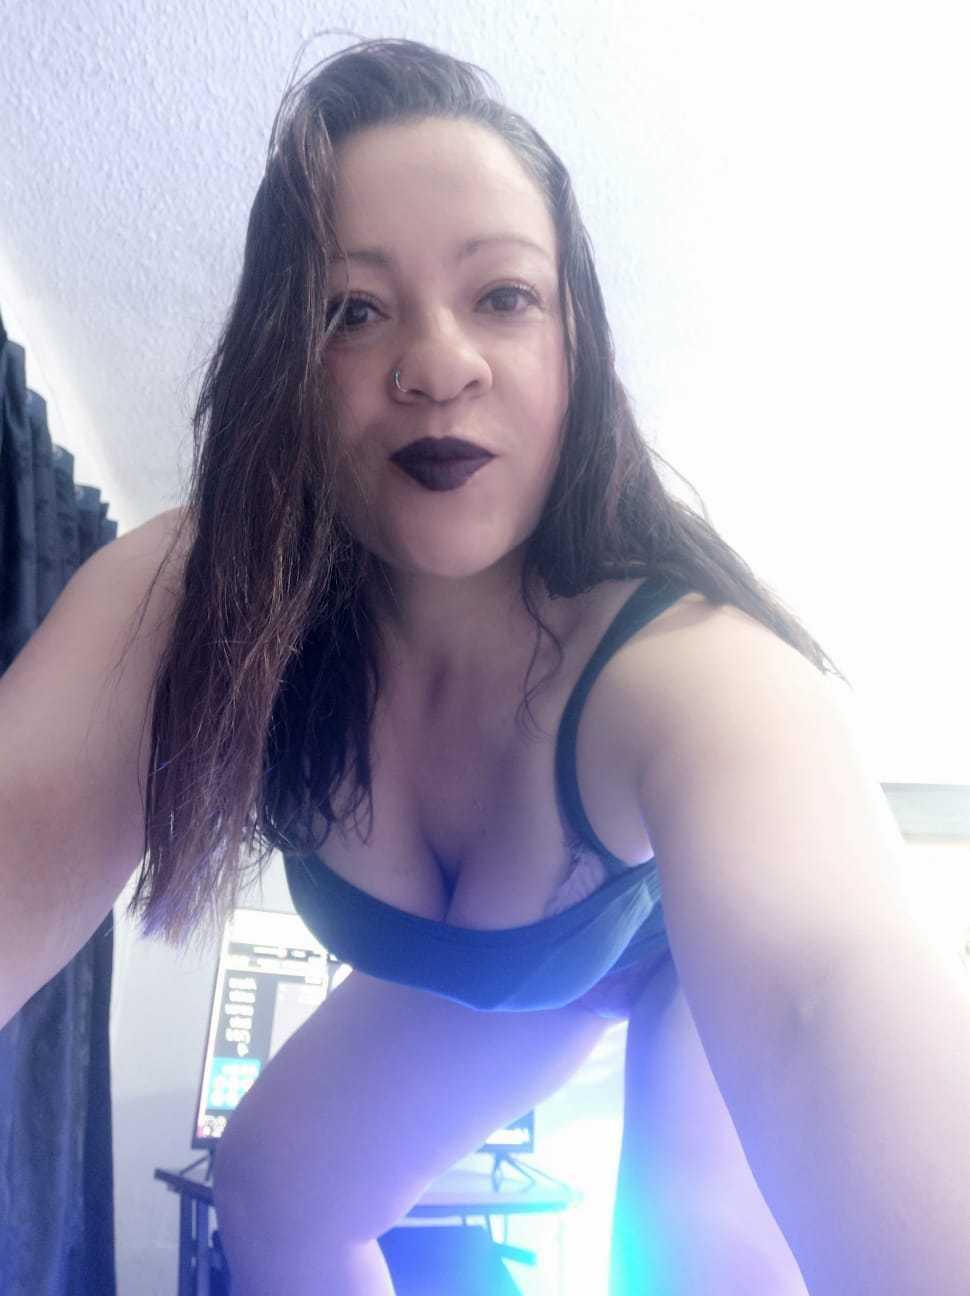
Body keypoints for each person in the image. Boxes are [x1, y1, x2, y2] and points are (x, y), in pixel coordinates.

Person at [9, 35, 957, 1296]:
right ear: (284, 365)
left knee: (689, 1260)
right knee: (274, 1188)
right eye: (352, 311)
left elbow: (816, 1001)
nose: (437, 364)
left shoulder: (697, 670)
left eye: (502, 296)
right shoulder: (199, 596)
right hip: (512, 989)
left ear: (577, 345)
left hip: (675, 967)